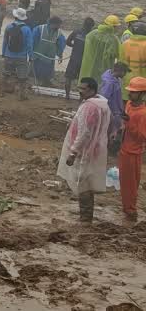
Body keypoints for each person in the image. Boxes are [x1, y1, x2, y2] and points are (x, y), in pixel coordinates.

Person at [57, 76, 111, 223]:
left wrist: (73, 152)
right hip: (94, 149)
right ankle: (86, 217)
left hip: (85, 151)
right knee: (86, 181)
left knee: (83, 183)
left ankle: (85, 219)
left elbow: (85, 133)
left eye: (83, 89)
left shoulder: (90, 107)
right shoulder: (101, 104)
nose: (80, 91)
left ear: (92, 90)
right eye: (79, 88)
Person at [118, 77, 146, 223]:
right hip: (124, 148)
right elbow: (125, 122)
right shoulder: (129, 104)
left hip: (133, 152)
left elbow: (143, 136)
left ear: (142, 94)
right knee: (125, 182)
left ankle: (131, 210)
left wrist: (129, 124)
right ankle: (127, 207)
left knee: (131, 184)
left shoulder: (143, 113)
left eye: (134, 92)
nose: (130, 94)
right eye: (130, 91)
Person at [1, 8, 34, 99]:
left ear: (15, 17)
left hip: (9, 55)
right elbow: (29, 45)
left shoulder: (8, 27)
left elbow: (5, 41)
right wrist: (31, 57)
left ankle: (0, 91)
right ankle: (22, 95)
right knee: (22, 77)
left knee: (6, 74)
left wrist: (4, 53)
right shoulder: (27, 29)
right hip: (21, 57)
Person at [80, 15, 123, 82]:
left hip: (90, 67)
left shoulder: (92, 34)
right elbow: (119, 55)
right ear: (113, 27)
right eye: (116, 27)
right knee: (102, 87)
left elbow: (86, 49)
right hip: (105, 70)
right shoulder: (114, 39)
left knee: (91, 86)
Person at [31, 16, 67, 90]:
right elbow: (32, 40)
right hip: (38, 55)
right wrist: (30, 52)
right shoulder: (39, 29)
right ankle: (38, 81)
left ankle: (46, 81)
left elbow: (61, 44)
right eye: (58, 25)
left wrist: (60, 55)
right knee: (37, 68)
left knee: (48, 70)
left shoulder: (59, 33)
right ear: (52, 23)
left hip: (49, 56)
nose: (59, 27)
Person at [64, 17, 97, 96]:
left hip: (74, 59)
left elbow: (68, 42)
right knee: (83, 80)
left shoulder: (76, 32)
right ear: (92, 26)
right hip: (84, 61)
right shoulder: (92, 35)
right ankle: (81, 97)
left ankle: (67, 95)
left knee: (68, 78)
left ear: (83, 24)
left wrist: (75, 46)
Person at [101, 64, 130, 147]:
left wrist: (122, 110)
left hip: (116, 110)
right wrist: (110, 113)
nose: (125, 74)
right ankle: (107, 147)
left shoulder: (115, 79)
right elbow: (105, 99)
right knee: (109, 130)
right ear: (119, 71)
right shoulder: (109, 83)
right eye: (124, 72)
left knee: (114, 129)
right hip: (111, 111)